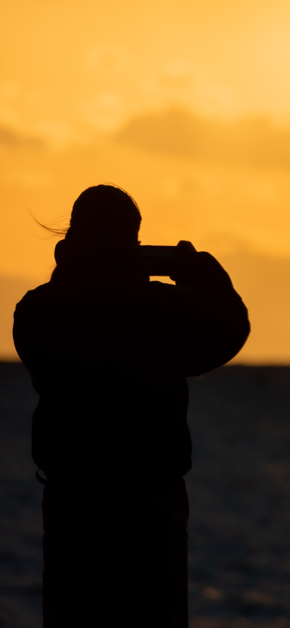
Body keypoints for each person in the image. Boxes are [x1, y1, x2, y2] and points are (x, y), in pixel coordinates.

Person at [12, 184, 250, 628]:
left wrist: (73, 267)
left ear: (70, 237)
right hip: (150, 508)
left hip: (72, 506)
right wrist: (198, 271)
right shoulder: (163, 310)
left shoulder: (37, 312)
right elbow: (232, 327)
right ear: (133, 241)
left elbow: (60, 320)